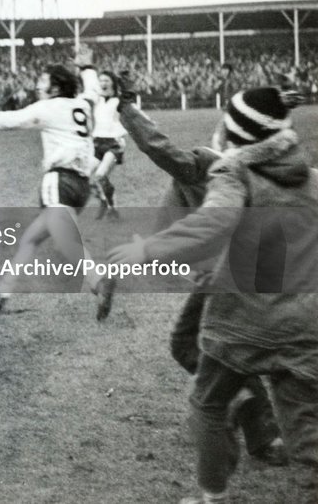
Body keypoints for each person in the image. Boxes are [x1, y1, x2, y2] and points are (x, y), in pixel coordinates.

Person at [109, 87, 318, 503]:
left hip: (241, 316)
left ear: (233, 133)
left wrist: (144, 249)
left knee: (207, 402)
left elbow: (214, 222)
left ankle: (214, 497)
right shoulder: (311, 179)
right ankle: (269, 439)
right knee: (308, 437)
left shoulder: (230, 172)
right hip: (304, 322)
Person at [0, 49, 115, 319]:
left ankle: (99, 281)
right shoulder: (84, 104)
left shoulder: (49, 107)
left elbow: (10, 121)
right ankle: (1, 295)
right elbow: (93, 90)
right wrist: (88, 66)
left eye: (42, 81)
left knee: (66, 240)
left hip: (59, 180)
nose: (38, 85)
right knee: (30, 239)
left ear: (54, 87)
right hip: (81, 186)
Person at [90, 70, 127, 219]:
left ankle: (113, 209)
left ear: (112, 82)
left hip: (113, 142)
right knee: (83, 176)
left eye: (106, 80)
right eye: (101, 81)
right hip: (97, 142)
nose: (103, 83)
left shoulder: (118, 101)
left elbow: (124, 119)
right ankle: (104, 201)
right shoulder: (96, 100)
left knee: (100, 174)